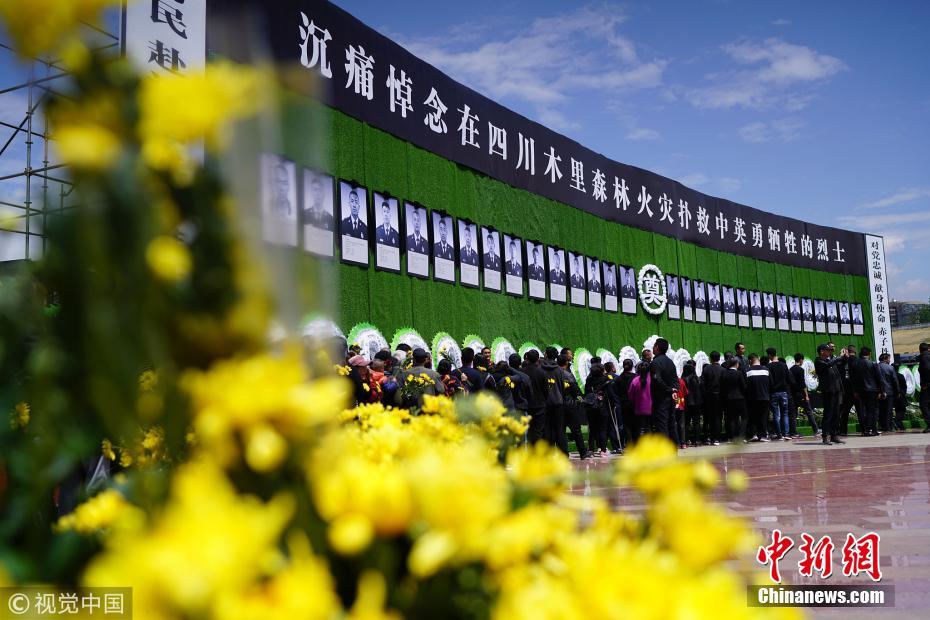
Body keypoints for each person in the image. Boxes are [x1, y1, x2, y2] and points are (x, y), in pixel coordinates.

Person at [558, 353, 590, 458]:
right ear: (566, 363)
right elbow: (576, 391)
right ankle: (583, 452)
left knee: (561, 431)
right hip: (570, 405)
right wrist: (580, 400)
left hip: (558, 405)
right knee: (576, 430)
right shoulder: (568, 375)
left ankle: (563, 454)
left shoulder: (554, 374)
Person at [815, 344, 846, 445]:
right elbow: (828, 365)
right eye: (827, 350)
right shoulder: (819, 361)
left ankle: (834, 435)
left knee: (836, 414)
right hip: (828, 391)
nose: (830, 352)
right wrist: (839, 357)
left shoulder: (830, 361)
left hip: (836, 390)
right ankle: (825, 436)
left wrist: (843, 357)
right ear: (821, 351)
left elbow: (840, 366)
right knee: (828, 414)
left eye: (830, 350)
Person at [851, 346, 883, 437]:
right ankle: (869, 430)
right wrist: (881, 391)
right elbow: (879, 378)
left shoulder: (855, 364)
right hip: (872, 390)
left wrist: (855, 391)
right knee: (871, 410)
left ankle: (868, 430)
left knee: (863, 410)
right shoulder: (873, 363)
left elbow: (853, 379)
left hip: (860, 390)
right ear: (869, 354)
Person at [649, 338, 678, 440]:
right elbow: (675, 379)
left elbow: (657, 380)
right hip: (671, 397)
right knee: (671, 423)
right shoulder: (670, 362)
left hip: (660, 398)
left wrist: (669, 390)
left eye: (654, 345)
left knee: (662, 424)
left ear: (657, 347)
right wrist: (674, 390)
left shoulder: (655, 363)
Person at [584, 363, 611, 457]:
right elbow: (609, 393)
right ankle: (603, 450)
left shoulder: (589, 379)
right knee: (603, 429)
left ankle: (591, 449)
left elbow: (586, 393)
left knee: (592, 429)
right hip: (602, 407)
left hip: (591, 407)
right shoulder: (606, 379)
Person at [789, 353, 819, 436]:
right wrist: (806, 395)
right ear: (801, 360)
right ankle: (816, 430)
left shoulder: (790, 370)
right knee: (809, 412)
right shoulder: (800, 370)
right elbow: (803, 384)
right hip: (801, 395)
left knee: (794, 414)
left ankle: (793, 432)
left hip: (793, 395)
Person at [767, 348, 791, 441]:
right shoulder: (784, 365)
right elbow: (788, 378)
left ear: (769, 355)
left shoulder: (768, 366)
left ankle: (779, 434)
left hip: (774, 393)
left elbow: (770, 380)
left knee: (776, 414)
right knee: (785, 413)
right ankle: (786, 434)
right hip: (784, 392)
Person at [746, 354, 772, 442]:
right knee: (763, 417)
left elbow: (745, 386)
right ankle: (763, 435)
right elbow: (771, 384)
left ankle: (754, 434)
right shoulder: (766, 370)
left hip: (752, 398)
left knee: (753, 417)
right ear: (758, 359)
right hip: (765, 397)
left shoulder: (748, 371)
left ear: (750, 361)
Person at [721, 358, 747, 442]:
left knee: (732, 418)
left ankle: (733, 437)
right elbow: (744, 386)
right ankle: (741, 436)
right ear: (736, 364)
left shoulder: (724, 373)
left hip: (728, 398)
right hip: (739, 398)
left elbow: (722, 386)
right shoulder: (739, 373)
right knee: (744, 417)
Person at [701, 351, 723, 445]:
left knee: (708, 417)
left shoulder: (706, 369)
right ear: (718, 358)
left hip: (708, 396)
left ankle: (707, 437)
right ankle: (716, 438)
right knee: (718, 417)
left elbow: (702, 383)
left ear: (710, 358)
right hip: (720, 396)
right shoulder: (723, 369)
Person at [628, 361, 653, 441]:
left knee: (640, 428)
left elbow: (630, 396)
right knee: (649, 427)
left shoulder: (635, 381)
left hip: (638, 408)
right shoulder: (653, 380)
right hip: (652, 408)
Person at [615, 359, 637, 446]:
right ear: (632, 367)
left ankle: (629, 443)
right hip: (634, 404)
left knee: (626, 424)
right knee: (635, 424)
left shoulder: (618, 378)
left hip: (623, 404)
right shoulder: (636, 377)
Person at [837, 344, 858, 435]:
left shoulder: (842, 362)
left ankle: (843, 431)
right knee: (861, 411)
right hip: (857, 390)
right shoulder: (858, 361)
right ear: (855, 352)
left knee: (845, 412)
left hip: (845, 390)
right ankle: (865, 429)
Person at [876, 353, 898, 432]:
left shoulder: (875, 367)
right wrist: (897, 391)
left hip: (878, 392)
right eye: (889, 358)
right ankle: (888, 427)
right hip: (889, 392)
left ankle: (882, 425)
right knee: (888, 410)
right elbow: (895, 381)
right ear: (885, 359)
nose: (889, 360)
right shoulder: (890, 368)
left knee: (881, 409)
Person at [683, 362, 703, 446]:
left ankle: (687, 440)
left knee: (686, 422)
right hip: (697, 403)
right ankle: (697, 440)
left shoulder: (683, 379)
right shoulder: (697, 379)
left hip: (687, 403)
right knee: (696, 422)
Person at [919, 342, 930, 432]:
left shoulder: (924, 358)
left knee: (923, 404)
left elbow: (926, 370)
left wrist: (925, 384)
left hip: (927, 385)